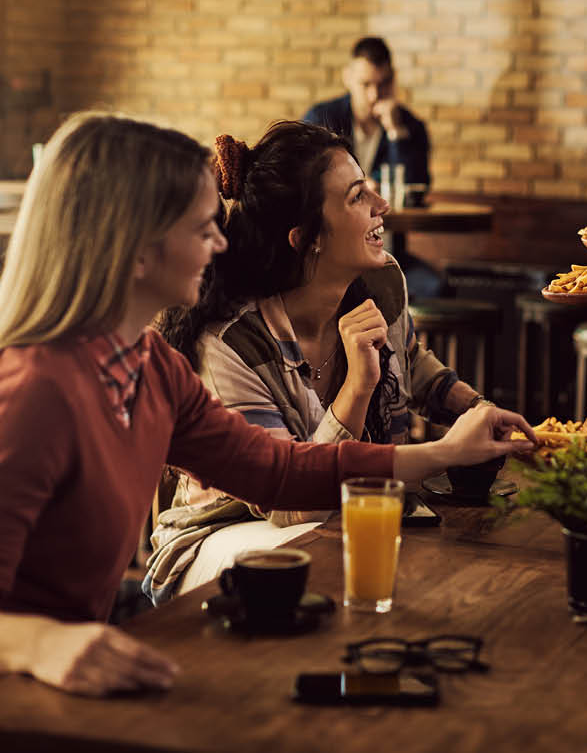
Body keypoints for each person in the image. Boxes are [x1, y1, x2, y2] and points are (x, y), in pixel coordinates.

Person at [0, 113, 533, 696]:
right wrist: (41, 643)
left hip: (75, 689)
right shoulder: (34, 394)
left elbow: (282, 473)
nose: (221, 243)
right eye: (201, 227)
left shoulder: (152, 370)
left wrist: (445, 452)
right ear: (136, 252)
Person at [146, 120, 514, 602]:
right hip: (224, 536)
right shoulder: (232, 345)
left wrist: (477, 411)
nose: (382, 206)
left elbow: (411, 363)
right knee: (342, 562)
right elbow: (291, 504)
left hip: (341, 513)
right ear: (306, 238)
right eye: (358, 196)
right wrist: (358, 388)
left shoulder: (381, 284)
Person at [302, 36, 441, 296]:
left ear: (394, 79)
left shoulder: (410, 127)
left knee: (433, 288)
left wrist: (395, 133)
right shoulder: (321, 118)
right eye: (365, 84)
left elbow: (415, 190)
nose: (374, 95)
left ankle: (403, 338)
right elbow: (304, 184)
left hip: (387, 249)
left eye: (383, 83)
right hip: (330, 252)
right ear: (348, 78)